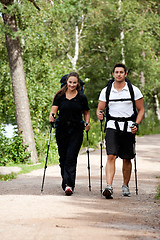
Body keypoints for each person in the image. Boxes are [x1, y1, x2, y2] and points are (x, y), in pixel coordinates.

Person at [97, 63, 144, 199]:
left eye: (121, 72)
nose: (118, 74)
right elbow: (100, 108)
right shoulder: (106, 91)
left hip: (128, 126)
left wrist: (136, 123)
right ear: (113, 74)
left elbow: (141, 110)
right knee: (111, 155)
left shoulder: (133, 90)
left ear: (125, 74)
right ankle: (109, 186)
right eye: (116, 72)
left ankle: (125, 185)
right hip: (112, 125)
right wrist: (100, 114)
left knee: (127, 157)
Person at [49, 72, 90, 196]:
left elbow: (86, 112)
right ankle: (65, 181)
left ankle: (69, 185)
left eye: (74, 83)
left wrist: (87, 123)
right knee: (63, 158)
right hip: (61, 130)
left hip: (77, 130)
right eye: (70, 82)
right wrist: (52, 117)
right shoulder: (60, 96)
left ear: (78, 84)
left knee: (71, 158)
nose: (72, 84)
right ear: (66, 82)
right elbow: (54, 110)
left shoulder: (82, 97)